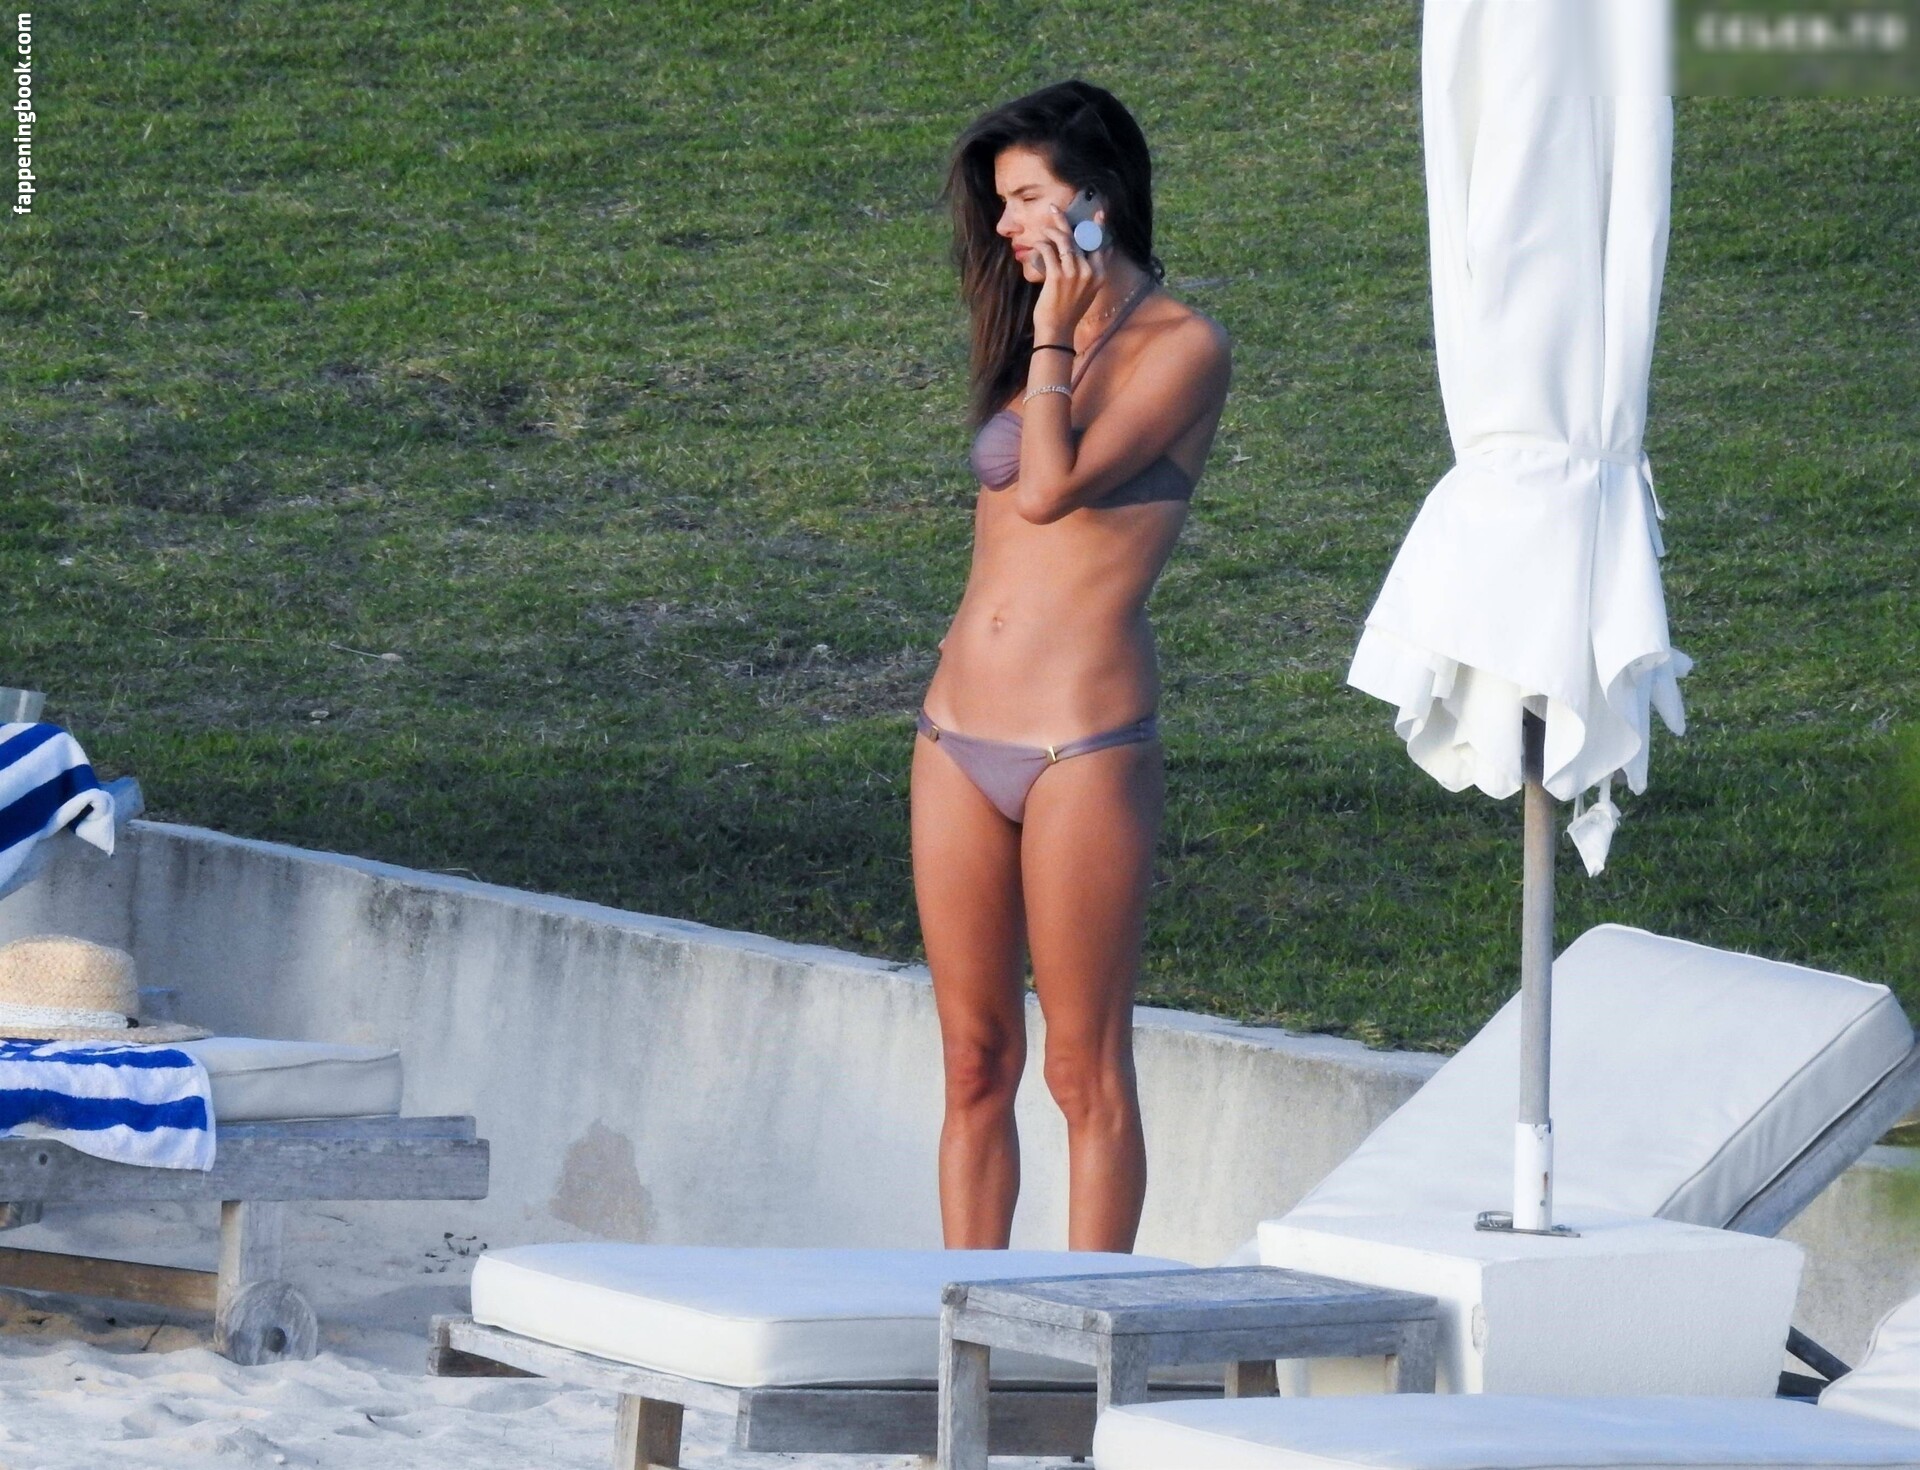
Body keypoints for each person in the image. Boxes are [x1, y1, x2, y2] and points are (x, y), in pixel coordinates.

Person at [915, 79, 1232, 1252]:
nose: (1004, 225)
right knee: (972, 1062)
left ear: (1096, 201)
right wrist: (1044, 324)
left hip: (1079, 745)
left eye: (1026, 198)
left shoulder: (1182, 347)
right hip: (954, 735)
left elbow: (1048, 490)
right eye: (999, 203)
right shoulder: (1027, 331)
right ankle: (963, 1327)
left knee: (1082, 1070)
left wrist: (1054, 327)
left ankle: (1096, 1337)